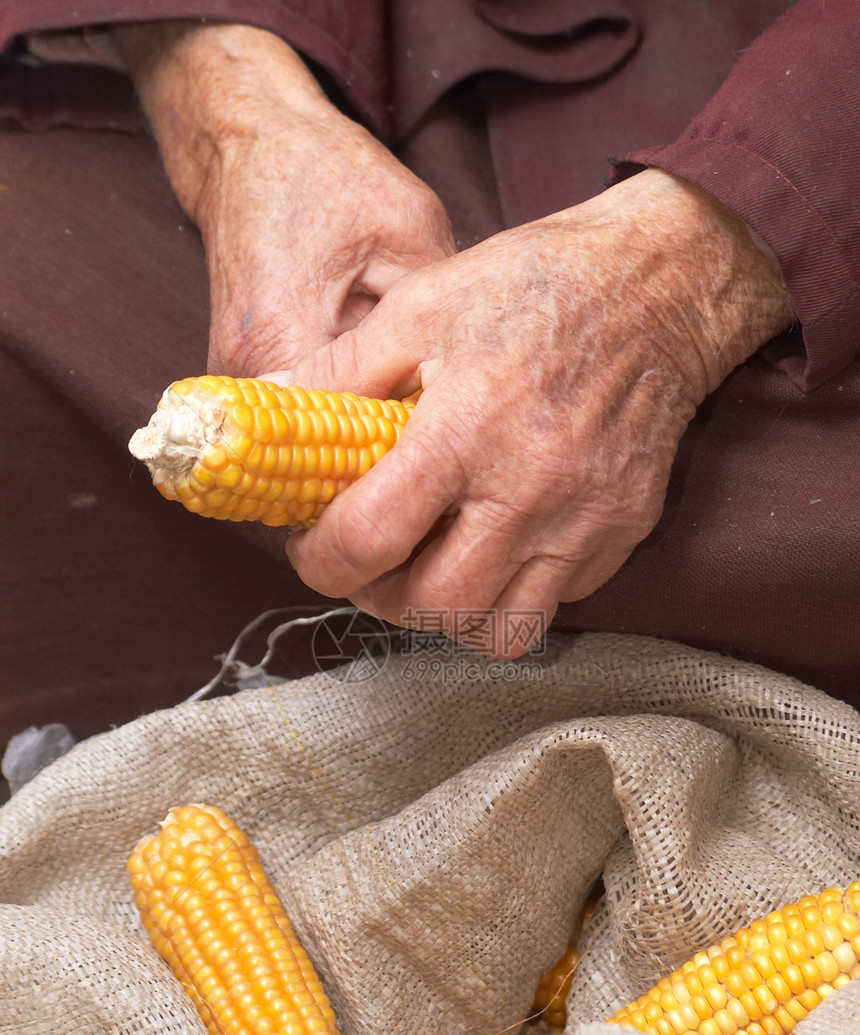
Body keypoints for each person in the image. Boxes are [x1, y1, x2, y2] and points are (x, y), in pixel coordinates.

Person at [0, 1, 858, 757]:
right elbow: (232, 105)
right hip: (380, 49)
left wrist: (683, 274)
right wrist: (238, 111)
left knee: (779, 528)